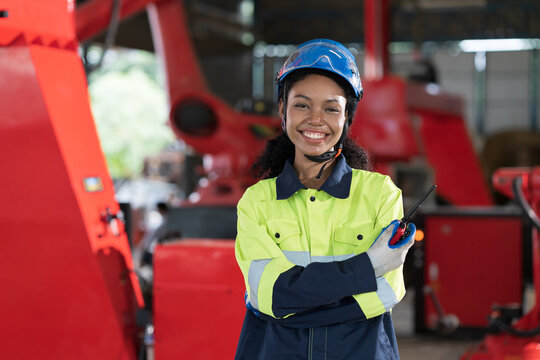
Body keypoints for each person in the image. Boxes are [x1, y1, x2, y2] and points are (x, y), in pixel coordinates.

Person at [234, 39, 416, 360]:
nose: (316, 119)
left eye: (331, 108)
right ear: (282, 109)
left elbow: (386, 292)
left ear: (347, 117)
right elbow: (269, 296)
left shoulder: (380, 194)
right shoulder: (257, 201)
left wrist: (294, 306)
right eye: (302, 104)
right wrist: (367, 267)